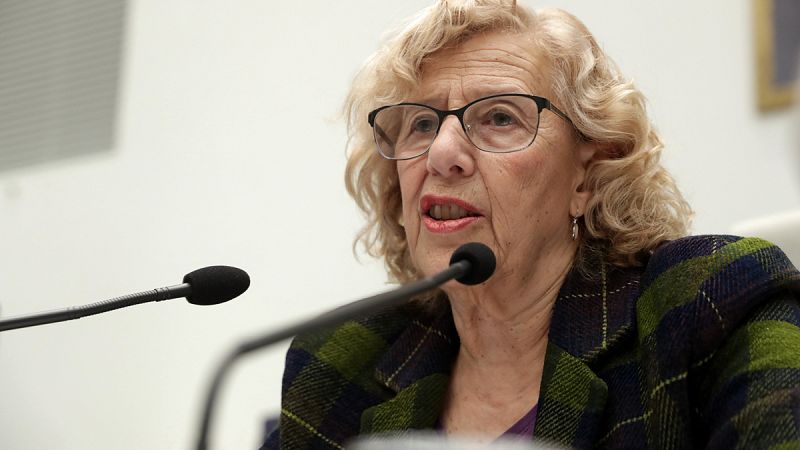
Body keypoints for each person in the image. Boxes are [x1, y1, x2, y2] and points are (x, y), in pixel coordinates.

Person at [263, 1, 800, 448]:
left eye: (500, 117)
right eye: (421, 123)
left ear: (587, 176)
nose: (442, 154)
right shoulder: (340, 361)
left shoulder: (708, 306)